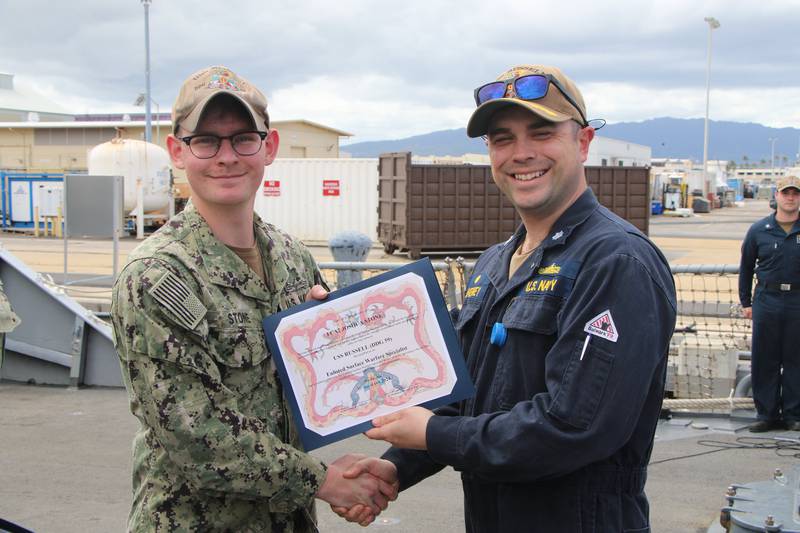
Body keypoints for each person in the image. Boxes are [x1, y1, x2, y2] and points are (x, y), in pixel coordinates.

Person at [336, 65, 677, 532]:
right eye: (502, 139)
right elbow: (463, 398)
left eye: (541, 133)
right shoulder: (496, 263)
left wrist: (433, 434)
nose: (521, 154)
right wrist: (397, 466)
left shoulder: (616, 262)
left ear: (582, 143)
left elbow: (574, 428)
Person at [111, 65, 397, 532]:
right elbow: (196, 436)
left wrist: (346, 349)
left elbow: (322, 388)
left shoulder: (293, 259)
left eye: (243, 138)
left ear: (270, 147)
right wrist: (327, 481)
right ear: (177, 152)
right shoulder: (156, 277)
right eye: (206, 140)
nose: (226, 156)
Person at [739, 175, 800, 432]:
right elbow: (746, 267)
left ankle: (793, 415)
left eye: (795, 193)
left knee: (796, 359)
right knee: (765, 359)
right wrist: (746, 302)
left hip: (797, 301)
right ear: (776, 196)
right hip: (767, 300)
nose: (790, 197)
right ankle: (766, 414)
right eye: (785, 193)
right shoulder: (758, 231)